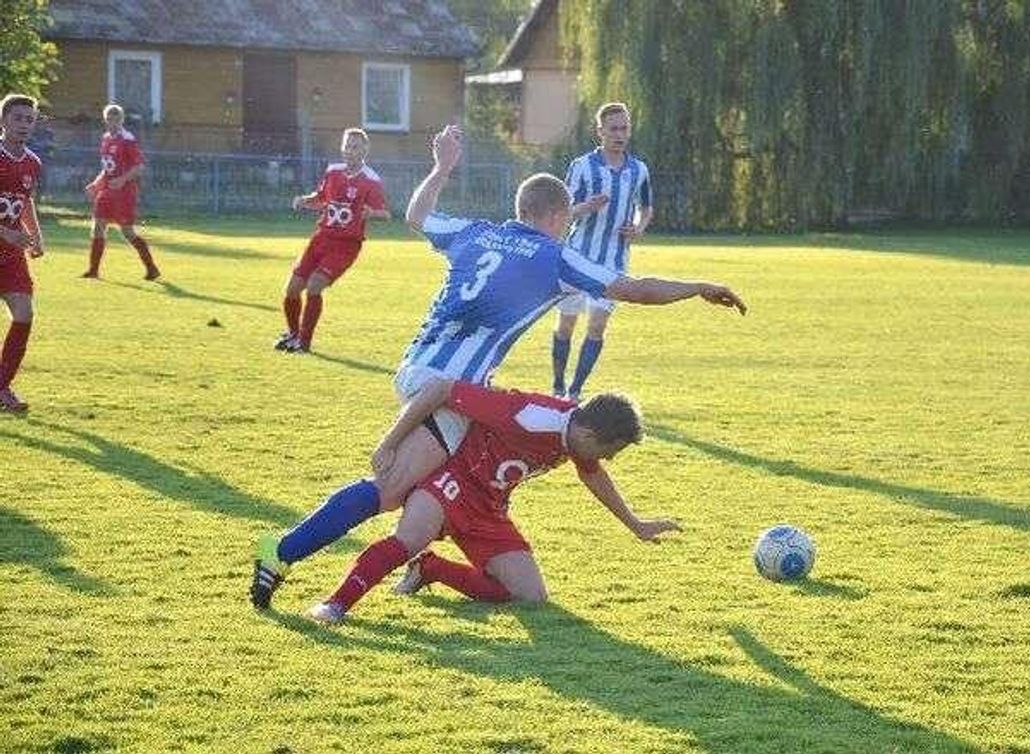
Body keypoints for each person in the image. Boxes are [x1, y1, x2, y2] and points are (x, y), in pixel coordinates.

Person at [249, 124, 745, 609]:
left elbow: (417, 215)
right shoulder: (556, 258)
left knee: (424, 482)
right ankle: (284, 551)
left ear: (521, 209)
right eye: (568, 219)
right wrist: (697, 287)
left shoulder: (476, 233)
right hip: (448, 387)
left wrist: (442, 168)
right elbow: (634, 289)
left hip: (417, 365)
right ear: (560, 217)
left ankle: (432, 540)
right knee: (389, 487)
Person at [305, 377, 679, 623]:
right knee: (409, 538)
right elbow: (441, 389)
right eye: (610, 450)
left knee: (529, 596)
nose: (608, 458)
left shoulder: (576, 436)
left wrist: (636, 525)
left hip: (489, 507)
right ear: (590, 434)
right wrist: (389, 444)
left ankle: (431, 570)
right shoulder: (529, 415)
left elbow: (593, 475)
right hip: (452, 483)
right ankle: (335, 605)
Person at [552, 102, 653, 400]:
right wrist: (587, 206)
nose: (620, 134)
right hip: (577, 258)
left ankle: (574, 392)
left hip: (614, 261)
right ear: (600, 131)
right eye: (614, 129)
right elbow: (563, 211)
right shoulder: (582, 166)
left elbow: (646, 207)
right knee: (566, 325)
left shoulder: (639, 169)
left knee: (596, 325)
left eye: (624, 128)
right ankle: (557, 385)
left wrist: (639, 227)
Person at [275, 127, 390, 354]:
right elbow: (321, 198)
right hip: (321, 238)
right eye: (347, 146)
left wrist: (371, 213)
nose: (350, 150)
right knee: (292, 289)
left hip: (346, 245)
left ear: (365, 150)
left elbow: (385, 214)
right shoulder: (333, 171)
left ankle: (304, 343)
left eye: (355, 147)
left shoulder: (371, 180)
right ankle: (293, 335)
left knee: (314, 285)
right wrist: (304, 201)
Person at [0, 94, 46, 413]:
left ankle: (2, 387)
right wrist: (7, 232)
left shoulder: (33, 162)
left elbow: (25, 201)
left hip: (11, 255)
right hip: (8, 240)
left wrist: (36, 236)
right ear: (4, 120)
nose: (24, 124)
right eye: (18, 118)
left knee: (24, 313)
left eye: (29, 120)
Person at [81, 104, 161, 281]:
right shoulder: (106, 138)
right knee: (98, 226)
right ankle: (93, 270)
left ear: (122, 120)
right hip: (107, 191)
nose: (113, 122)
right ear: (105, 120)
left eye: (116, 119)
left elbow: (139, 167)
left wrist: (123, 179)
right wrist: (95, 184)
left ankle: (152, 268)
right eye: (109, 119)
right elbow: (107, 168)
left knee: (127, 232)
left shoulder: (127, 139)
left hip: (124, 193)